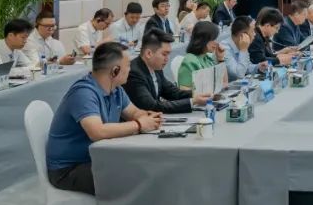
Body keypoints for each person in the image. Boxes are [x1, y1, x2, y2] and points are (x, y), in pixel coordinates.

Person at [45, 42, 161, 195]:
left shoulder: (116, 90)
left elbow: (134, 112)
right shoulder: (84, 93)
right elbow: (97, 132)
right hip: (69, 170)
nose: (131, 69)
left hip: (97, 157)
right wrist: (139, 125)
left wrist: (147, 117)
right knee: (135, 176)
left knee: (147, 166)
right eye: (128, 65)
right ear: (115, 71)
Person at [124, 31, 210, 113]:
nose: (167, 59)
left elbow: (173, 93)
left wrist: (198, 94)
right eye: (164, 54)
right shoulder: (134, 73)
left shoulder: (156, 68)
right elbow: (152, 106)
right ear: (149, 53)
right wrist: (192, 101)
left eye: (168, 54)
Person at [176, 21, 225, 89]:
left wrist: (220, 59)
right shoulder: (190, 61)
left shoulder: (207, 58)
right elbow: (184, 91)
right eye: (213, 39)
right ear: (203, 40)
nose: (216, 43)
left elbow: (224, 83)